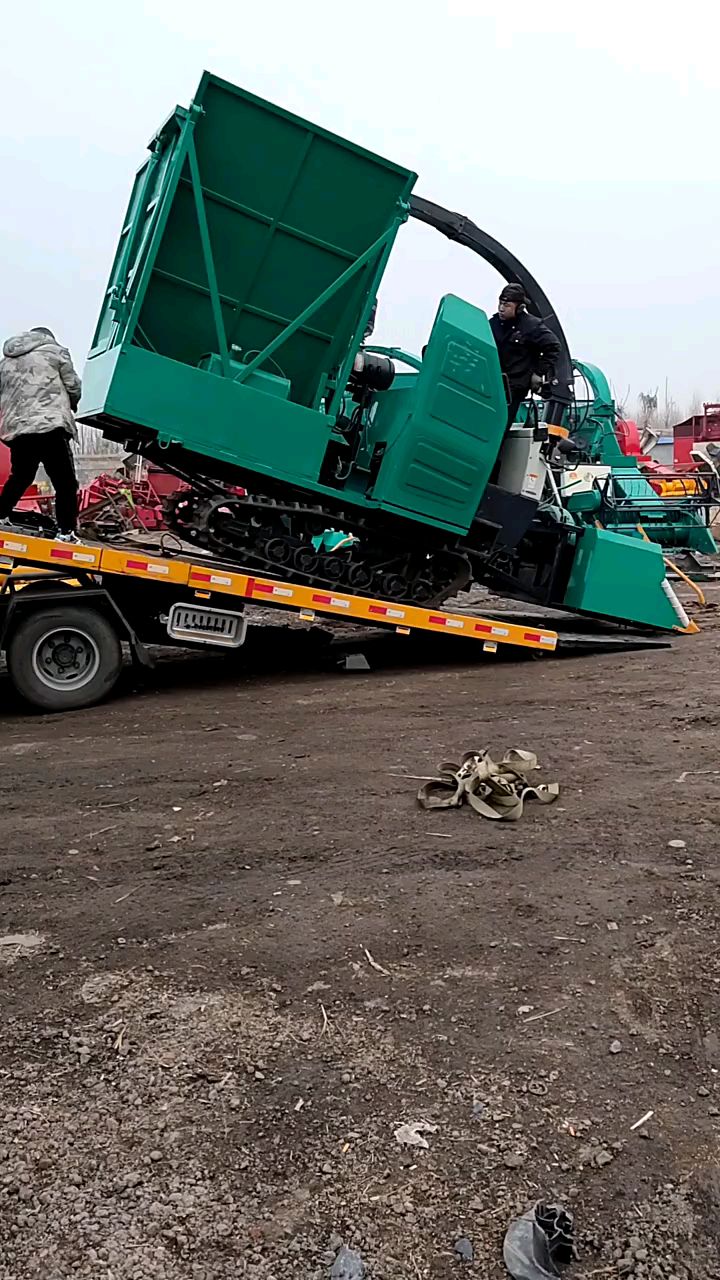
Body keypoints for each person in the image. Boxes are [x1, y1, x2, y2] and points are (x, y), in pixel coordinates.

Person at [0, 327, 82, 541]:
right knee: (65, 483)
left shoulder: (6, 361)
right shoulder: (55, 352)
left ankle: (0, 516)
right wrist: (72, 403)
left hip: (19, 429)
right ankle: (66, 532)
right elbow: (73, 385)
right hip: (49, 425)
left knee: (21, 476)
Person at [489, 284, 561, 430]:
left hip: (513, 389)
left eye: (507, 305)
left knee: (498, 428)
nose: (501, 308)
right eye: (500, 303)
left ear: (520, 307)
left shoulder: (532, 326)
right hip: (492, 383)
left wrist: (538, 372)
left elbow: (553, 346)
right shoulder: (493, 324)